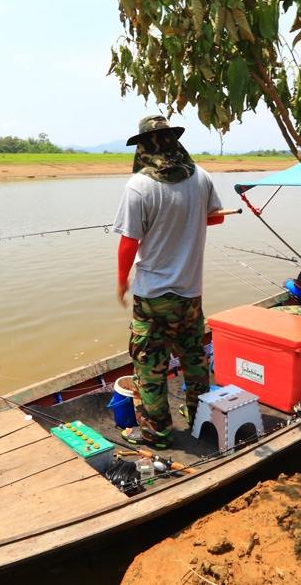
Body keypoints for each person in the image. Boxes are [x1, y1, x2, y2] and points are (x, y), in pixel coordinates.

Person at [113, 114, 224, 449]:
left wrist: (121, 281)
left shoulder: (138, 187)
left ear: (144, 147)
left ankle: (157, 433)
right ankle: (201, 424)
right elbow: (215, 218)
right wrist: (186, 219)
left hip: (152, 297)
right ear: (175, 142)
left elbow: (129, 243)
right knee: (194, 362)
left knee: (150, 367)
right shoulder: (201, 177)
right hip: (191, 294)